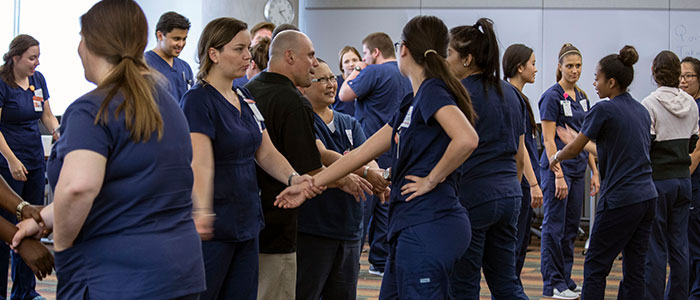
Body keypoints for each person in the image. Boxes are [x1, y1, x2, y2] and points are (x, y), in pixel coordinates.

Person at [12, 0, 207, 298]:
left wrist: (63, 247)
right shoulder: (167, 102)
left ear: (91, 43)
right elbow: (128, 188)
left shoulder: (92, 108)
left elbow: (79, 188)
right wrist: (43, 220)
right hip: (179, 272)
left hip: (116, 276)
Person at [276, 14, 479, 299]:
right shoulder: (412, 101)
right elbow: (360, 154)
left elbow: (467, 138)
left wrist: (432, 179)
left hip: (430, 223)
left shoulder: (433, 90)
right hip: (410, 225)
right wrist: (310, 185)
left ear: (404, 49)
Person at [180, 17, 318, 300]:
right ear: (214, 53)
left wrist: (293, 177)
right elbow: (200, 162)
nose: (248, 56)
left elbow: (265, 151)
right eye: (238, 49)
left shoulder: (243, 96)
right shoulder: (198, 100)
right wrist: (202, 211)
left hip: (247, 221)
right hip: (214, 224)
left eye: (248, 48)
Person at [244, 30, 365, 300]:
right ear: (289, 56)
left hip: (251, 223)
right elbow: (309, 172)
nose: (313, 63)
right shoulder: (293, 102)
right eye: (310, 56)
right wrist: (345, 179)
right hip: (280, 227)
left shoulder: (248, 90)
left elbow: (270, 154)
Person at [549, 45, 657, 300]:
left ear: (611, 82)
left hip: (621, 198)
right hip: (647, 197)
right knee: (635, 267)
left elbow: (575, 149)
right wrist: (580, 142)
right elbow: (615, 149)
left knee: (595, 266)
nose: (594, 83)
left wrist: (556, 156)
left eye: (597, 78)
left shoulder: (603, 109)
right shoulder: (641, 110)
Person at [445, 18, 529, 300]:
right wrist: (511, 191)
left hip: (473, 197)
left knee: (464, 284)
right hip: (510, 196)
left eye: (449, 55)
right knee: (506, 283)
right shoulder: (512, 94)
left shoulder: (459, 95)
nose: (444, 61)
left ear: (467, 59)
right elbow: (519, 155)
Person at [295, 59, 374, 300]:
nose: (331, 84)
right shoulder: (303, 121)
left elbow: (368, 158)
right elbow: (321, 158)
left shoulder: (348, 123)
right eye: (322, 80)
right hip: (314, 231)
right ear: (303, 87)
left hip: (349, 230)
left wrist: (375, 174)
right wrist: (358, 172)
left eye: (332, 78)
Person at [338, 32, 412, 276]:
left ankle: (348, 265)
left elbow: (344, 94)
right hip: (396, 151)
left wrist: (358, 69)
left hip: (370, 152)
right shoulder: (405, 75)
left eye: (365, 54)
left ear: (375, 52)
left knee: (362, 210)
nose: (362, 60)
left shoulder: (372, 71)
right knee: (385, 211)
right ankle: (380, 262)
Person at [0, 33, 59, 300]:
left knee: (33, 222)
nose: (37, 62)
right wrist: (11, 159)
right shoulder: (2, 83)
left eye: (39, 57)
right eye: (31, 57)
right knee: (8, 230)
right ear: (15, 58)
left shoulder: (38, 80)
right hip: (8, 162)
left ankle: (25, 292)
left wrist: (60, 135)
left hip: (35, 160)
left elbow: (47, 115)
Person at [539, 42, 599, 299]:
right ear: (560, 67)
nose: (574, 71)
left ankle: (564, 277)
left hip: (578, 170)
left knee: (571, 227)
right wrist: (558, 173)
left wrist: (594, 171)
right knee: (554, 226)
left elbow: (585, 138)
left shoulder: (583, 97)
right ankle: (552, 282)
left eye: (578, 66)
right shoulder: (552, 96)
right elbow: (549, 140)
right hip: (557, 170)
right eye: (570, 66)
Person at [642, 50, 698, 300]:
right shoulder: (691, 104)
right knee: (680, 246)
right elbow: (692, 143)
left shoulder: (649, 104)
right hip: (684, 181)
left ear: (654, 73)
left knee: (655, 248)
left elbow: (646, 146)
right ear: (678, 75)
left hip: (658, 181)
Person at [502, 43, 544, 282]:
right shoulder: (512, 97)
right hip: (520, 183)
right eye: (533, 64)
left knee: (518, 245)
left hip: (522, 183)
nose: (535, 69)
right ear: (520, 67)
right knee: (514, 246)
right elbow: (522, 150)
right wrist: (533, 183)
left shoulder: (519, 97)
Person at [144, 11, 193, 102]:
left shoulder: (185, 68)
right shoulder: (144, 65)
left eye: (184, 39)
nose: (181, 44)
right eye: (176, 39)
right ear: (160, 35)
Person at [682, 56, 700, 299]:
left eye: (688, 76)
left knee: (693, 247)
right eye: (680, 76)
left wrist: (682, 180)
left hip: (693, 184)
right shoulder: (687, 105)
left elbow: (697, 151)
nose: (683, 81)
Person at [232, 22, 275, 88]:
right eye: (259, 39)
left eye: (268, 40)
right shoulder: (237, 75)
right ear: (251, 41)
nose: (262, 42)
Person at [332, 46, 361, 116]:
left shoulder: (365, 82)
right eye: (346, 62)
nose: (351, 64)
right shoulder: (334, 83)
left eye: (354, 60)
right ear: (341, 66)